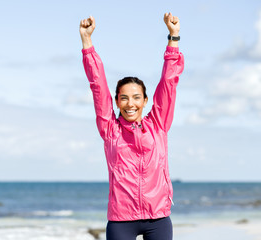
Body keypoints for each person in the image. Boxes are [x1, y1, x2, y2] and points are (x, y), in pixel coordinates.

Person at [80, 13, 184, 240]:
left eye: (136, 97)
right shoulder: (110, 130)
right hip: (121, 220)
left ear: (145, 101)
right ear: (116, 101)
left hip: (158, 219)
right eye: (124, 98)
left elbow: (168, 82)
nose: (130, 104)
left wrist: (173, 38)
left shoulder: (158, 124)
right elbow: (98, 85)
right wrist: (87, 43)